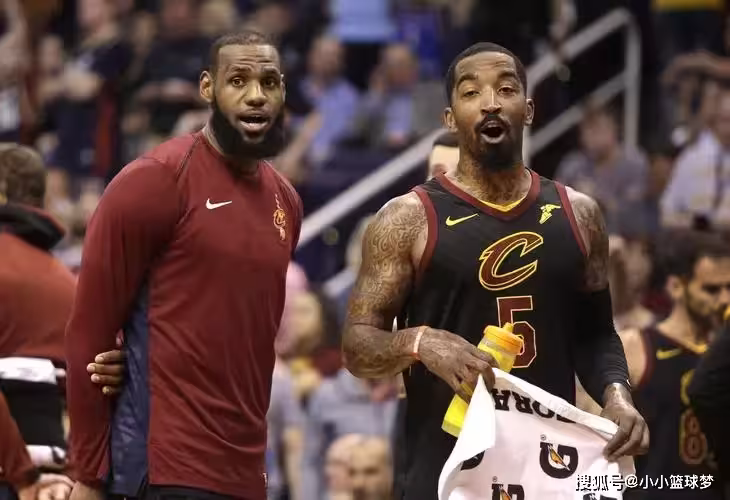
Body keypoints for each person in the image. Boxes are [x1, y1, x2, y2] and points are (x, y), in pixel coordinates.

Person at [341, 42, 648, 499]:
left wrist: (617, 395)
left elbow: (596, 334)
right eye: (471, 92)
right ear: (450, 118)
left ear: (528, 110)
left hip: (546, 468)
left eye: (505, 89)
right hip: (446, 465)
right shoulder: (406, 219)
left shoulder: (580, 214)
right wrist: (420, 343)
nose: (490, 103)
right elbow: (356, 346)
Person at [65, 30, 302, 500]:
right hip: (163, 467)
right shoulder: (156, 180)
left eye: (269, 82)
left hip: (246, 471)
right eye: (238, 80)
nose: (256, 95)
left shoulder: (286, 201)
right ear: (207, 88)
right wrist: (88, 475)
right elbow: (88, 334)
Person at [599, 232, 730, 500]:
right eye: (712, 290)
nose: (725, 299)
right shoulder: (636, 346)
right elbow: (597, 439)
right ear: (676, 287)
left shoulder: (723, 356)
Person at [0, 144, 76, 500]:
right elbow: (98, 395)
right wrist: (73, 475)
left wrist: (23, 475)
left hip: (19, 478)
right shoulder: (72, 284)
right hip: (58, 481)